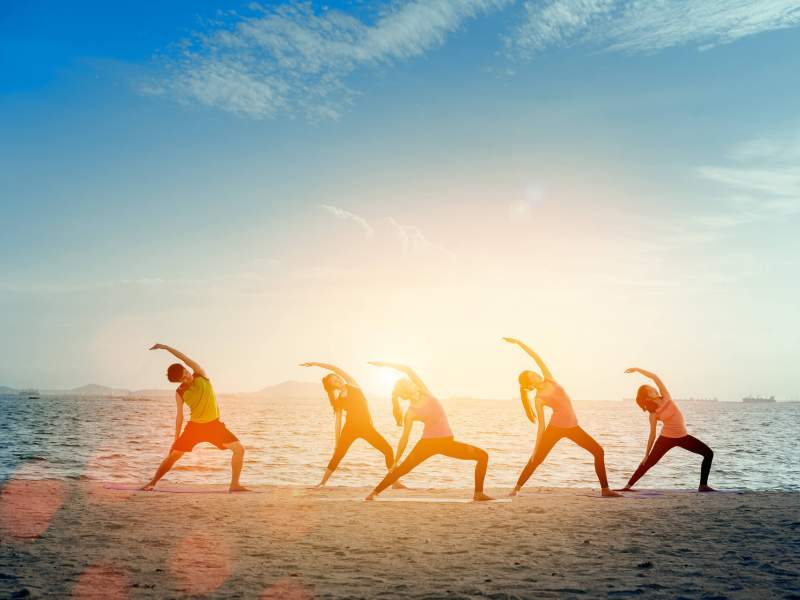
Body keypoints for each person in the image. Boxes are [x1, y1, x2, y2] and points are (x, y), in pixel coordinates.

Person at [504, 338, 620, 497]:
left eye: (534, 373)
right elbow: (541, 425)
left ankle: (605, 490)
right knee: (536, 459)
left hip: (573, 427)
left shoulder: (549, 378)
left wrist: (519, 343)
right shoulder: (538, 398)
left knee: (598, 451)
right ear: (530, 385)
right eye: (532, 377)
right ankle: (516, 489)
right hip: (555, 429)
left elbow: (536, 357)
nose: (536, 375)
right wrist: (536, 446)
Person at [364, 362, 493, 502]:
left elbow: (408, 369)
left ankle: (478, 494)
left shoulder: (425, 391)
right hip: (427, 444)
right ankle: (374, 493)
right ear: (406, 391)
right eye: (409, 384)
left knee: (482, 456)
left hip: (447, 443)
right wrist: (395, 461)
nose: (413, 384)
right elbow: (404, 438)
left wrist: (385, 364)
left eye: (411, 382)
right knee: (402, 469)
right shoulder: (411, 412)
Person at [142, 344, 248, 492]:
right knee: (173, 455)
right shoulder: (179, 393)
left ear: (186, 370)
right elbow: (179, 416)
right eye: (182, 379)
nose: (187, 378)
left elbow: (184, 358)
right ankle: (152, 482)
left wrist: (165, 348)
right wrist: (176, 439)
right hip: (194, 428)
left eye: (186, 373)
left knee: (239, 449)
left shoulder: (201, 374)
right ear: (179, 381)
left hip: (214, 426)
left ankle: (234, 484)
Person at [300, 362, 405, 489]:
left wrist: (316, 364)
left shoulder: (353, 385)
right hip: (350, 428)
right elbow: (338, 422)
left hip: (366, 428)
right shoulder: (338, 400)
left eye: (337, 377)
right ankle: (322, 483)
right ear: (331, 386)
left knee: (388, 450)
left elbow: (336, 367)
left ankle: (394, 482)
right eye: (334, 381)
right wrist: (337, 442)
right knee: (338, 455)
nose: (337, 380)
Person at [619, 367, 714, 492]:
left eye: (652, 388)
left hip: (683, 437)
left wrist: (637, 369)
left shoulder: (666, 396)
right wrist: (646, 454)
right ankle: (627, 487)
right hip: (666, 439)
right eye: (650, 390)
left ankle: (703, 486)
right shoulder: (653, 414)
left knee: (708, 453)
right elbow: (652, 434)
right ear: (647, 398)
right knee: (648, 463)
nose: (654, 389)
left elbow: (655, 377)